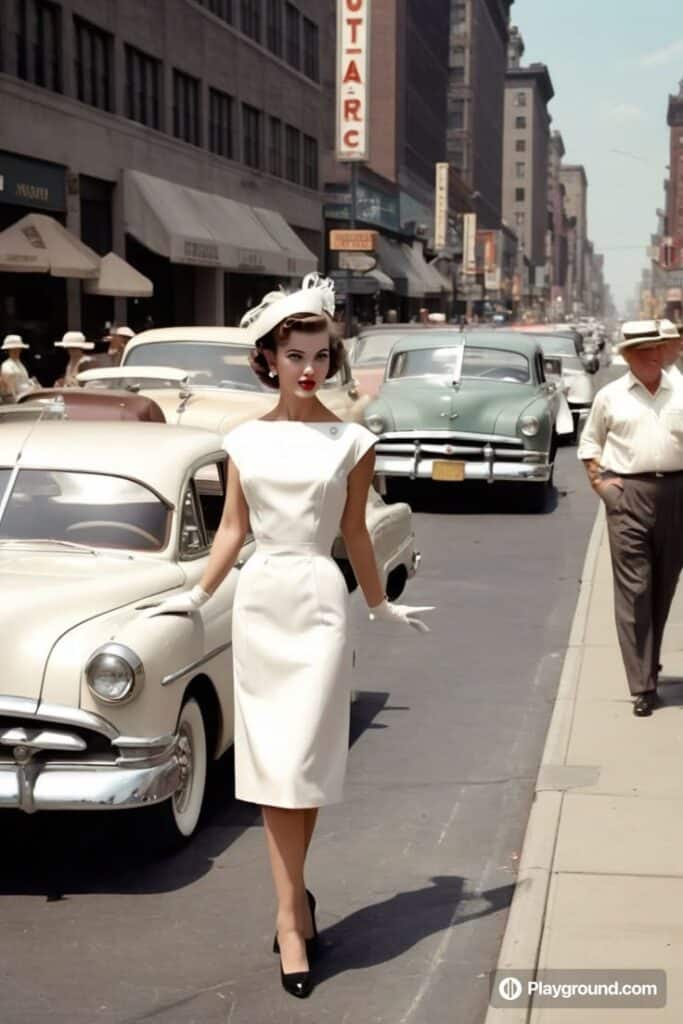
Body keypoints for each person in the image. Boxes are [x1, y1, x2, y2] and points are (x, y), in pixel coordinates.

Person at [144, 274, 434, 998]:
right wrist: (195, 596)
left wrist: (380, 601)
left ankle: (291, 906)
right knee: (274, 770)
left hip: (318, 603)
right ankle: (289, 912)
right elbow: (233, 531)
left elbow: (353, 533)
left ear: (330, 361)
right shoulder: (240, 439)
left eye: (319, 355)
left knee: (303, 766)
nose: (308, 368)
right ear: (268, 358)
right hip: (261, 602)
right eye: (293, 354)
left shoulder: (352, 440)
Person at [578, 318, 683, 716]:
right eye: (644, 351)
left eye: (658, 348)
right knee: (636, 589)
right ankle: (642, 685)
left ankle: (649, 658)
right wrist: (602, 486)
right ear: (628, 357)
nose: (654, 356)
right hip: (629, 496)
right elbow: (590, 444)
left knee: (663, 587)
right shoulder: (611, 396)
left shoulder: (681, 391)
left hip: (677, 493)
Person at [0, 334, 38, 399]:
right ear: (9, 350)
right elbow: (13, 389)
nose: (16, 350)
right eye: (13, 349)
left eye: (17, 348)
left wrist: (32, 383)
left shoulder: (20, 363)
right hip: (15, 399)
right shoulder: (6, 365)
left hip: (26, 396)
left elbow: (24, 381)